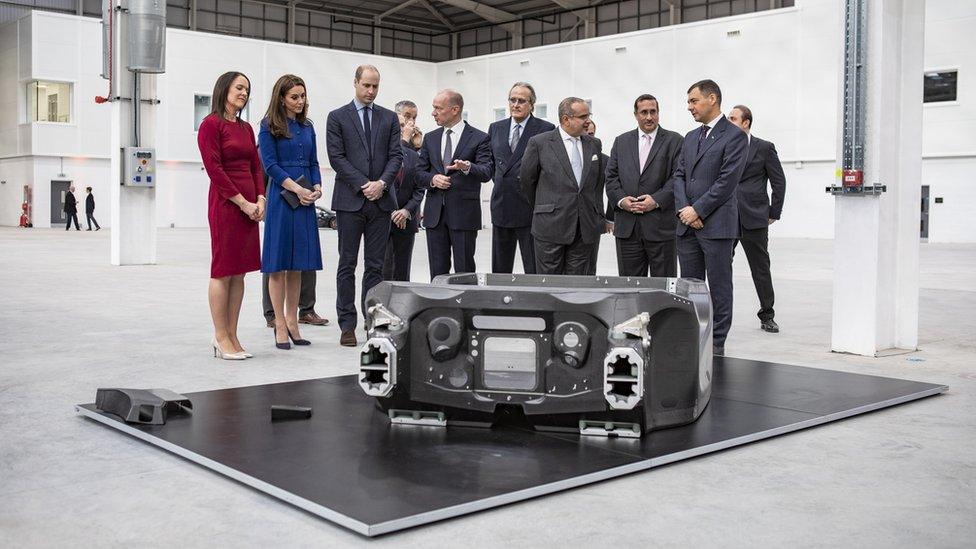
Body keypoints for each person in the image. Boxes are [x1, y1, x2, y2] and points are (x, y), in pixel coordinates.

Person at [326, 65, 402, 347]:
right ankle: (347, 324)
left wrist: (381, 183)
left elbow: (396, 156)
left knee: (375, 266)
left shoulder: (389, 118)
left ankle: (371, 320)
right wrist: (364, 184)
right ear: (355, 83)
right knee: (347, 264)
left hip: (381, 202)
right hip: (350, 201)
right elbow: (337, 158)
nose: (370, 91)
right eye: (366, 86)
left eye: (375, 87)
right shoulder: (337, 118)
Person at [673, 80, 748, 357]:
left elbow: (727, 181)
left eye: (694, 101)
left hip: (716, 226)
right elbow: (679, 175)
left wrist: (698, 210)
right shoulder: (690, 137)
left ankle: (716, 343)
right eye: (689, 101)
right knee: (690, 288)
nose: (689, 106)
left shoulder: (734, 136)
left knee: (718, 286)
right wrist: (685, 210)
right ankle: (692, 336)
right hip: (687, 224)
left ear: (712, 99)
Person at [197, 71, 266, 360]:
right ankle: (220, 336)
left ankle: (233, 335)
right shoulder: (210, 125)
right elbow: (215, 171)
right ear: (224, 88)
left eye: (247, 89)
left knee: (240, 273)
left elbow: (255, 166)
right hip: (227, 205)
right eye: (239, 87)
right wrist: (243, 202)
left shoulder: (247, 128)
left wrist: (260, 198)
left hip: (250, 206)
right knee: (223, 271)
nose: (243, 93)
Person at [258, 74, 324, 350]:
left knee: (298, 266)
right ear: (281, 98)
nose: (300, 101)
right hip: (282, 199)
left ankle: (294, 321)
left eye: (302, 95)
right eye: (294, 96)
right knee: (278, 265)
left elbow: (313, 162)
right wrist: (296, 189)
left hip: (306, 200)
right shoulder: (267, 126)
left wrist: (317, 187)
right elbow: (270, 165)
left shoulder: (307, 127)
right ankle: (280, 326)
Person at [520, 97, 605, 275]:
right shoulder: (539, 143)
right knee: (550, 285)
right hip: (550, 228)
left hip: (584, 229)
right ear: (566, 119)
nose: (588, 121)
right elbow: (527, 181)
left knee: (578, 286)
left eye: (588, 115)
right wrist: (546, 207)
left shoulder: (594, 144)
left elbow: (596, 184)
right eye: (583, 117)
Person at [605, 94, 684, 277]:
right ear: (636, 115)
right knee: (630, 288)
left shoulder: (675, 141)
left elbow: (678, 178)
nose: (649, 117)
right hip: (627, 228)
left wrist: (655, 200)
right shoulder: (621, 141)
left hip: (661, 228)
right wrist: (622, 200)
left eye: (653, 112)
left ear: (658, 113)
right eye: (644, 112)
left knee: (663, 287)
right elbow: (611, 177)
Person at [417, 89, 493, 278]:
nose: (433, 113)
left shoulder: (480, 138)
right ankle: (438, 307)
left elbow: (486, 172)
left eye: (438, 108)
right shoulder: (430, 137)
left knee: (464, 271)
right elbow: (418, 173)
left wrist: (468, 167)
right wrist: (432, 179)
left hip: (464, 216)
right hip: (435, 217)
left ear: (455, 109)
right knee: (437, 272)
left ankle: (466, 308)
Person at [728, 104, 786, 334]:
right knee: (720, 267)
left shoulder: (764, 147)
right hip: (726, 217)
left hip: (754, 217)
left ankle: (767, 315)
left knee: (760, 268)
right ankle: (716, 314)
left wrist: (774, 212)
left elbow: (778, 181)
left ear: (746, 122)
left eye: (733, 118)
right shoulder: (723, 146)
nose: (728, 121)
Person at [487, 82, 554, 274]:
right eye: (512, 100)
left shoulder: (545, 128)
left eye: (521, 101)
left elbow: (548, 168)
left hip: (530, 207)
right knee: (500, 269)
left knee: (533, 267)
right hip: (502, 204)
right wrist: (502, 181)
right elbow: (492, 164)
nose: (516, 104)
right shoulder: (496, 128)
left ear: (532, 104)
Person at [383, 100, 426, 281]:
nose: (410, 123)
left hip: (406, 219)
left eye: (414, 118)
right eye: (406, 118)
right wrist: (405, 141)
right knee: (383, 268)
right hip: (385, 216)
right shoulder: (383, 146)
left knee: (402, 270)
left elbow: (419, 186)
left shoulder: (415, 153)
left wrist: (407, 210)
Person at [584, 118, 614, 275]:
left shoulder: (605, 159)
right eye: (585, 132)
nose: (589, 137)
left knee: (589, 265)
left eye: (591, 133)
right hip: (565, 219)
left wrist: (609, 218)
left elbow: (612, 189)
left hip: (593, 219)